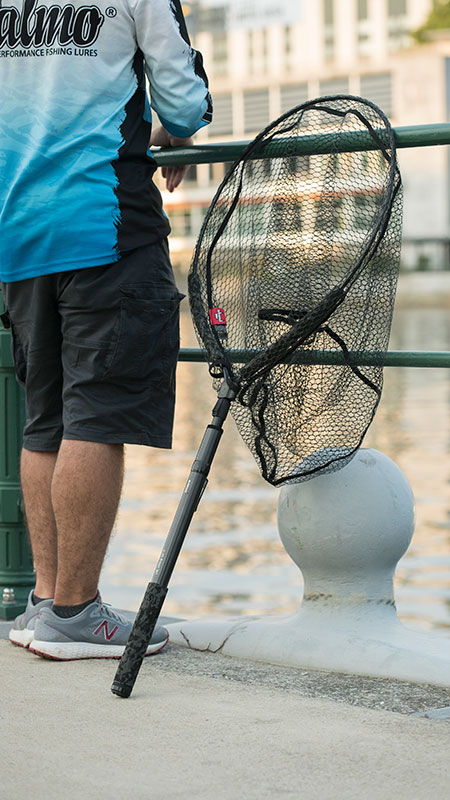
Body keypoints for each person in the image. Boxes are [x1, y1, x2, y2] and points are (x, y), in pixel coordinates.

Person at [0, 0, 212, 659]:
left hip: (18, 227)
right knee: (98, 414)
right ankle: (77, 612)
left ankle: (46, 602)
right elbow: (184, 102)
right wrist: (175, 130)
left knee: (46, 420)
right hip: (105, 225)